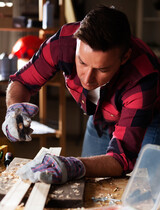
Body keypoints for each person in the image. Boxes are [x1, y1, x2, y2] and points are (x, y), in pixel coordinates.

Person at [2, 5, 160, 184]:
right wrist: (14, 109)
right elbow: (22, 81)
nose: (87, 78)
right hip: (101, 114)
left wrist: (72, 165)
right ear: (76, 44)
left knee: (143, 188)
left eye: (102, 69)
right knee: (89, 186)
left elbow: (122, 158)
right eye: (82, 62)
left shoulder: (142, 77)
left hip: (149, 120)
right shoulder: (62, 43)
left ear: (124, 58)